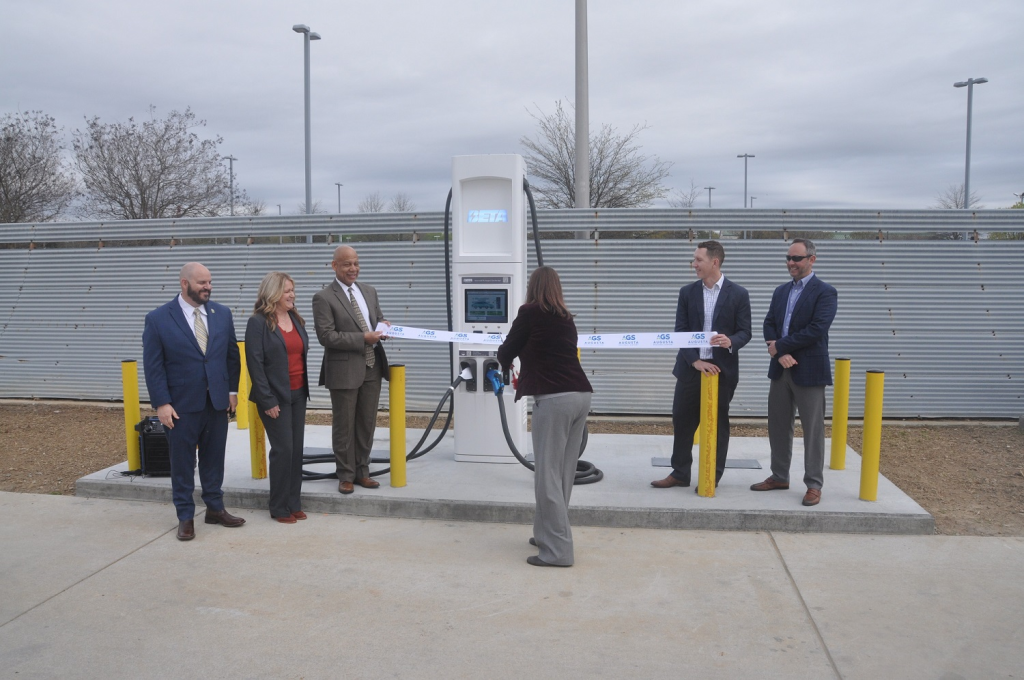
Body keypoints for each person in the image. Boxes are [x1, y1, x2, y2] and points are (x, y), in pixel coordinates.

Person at [498, 266, 593, 568]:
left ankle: (558, 552)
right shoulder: (565, 317)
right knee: (562, 474)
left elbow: (506, 351)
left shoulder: (529, 312)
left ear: (532, 286)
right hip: (581, 397)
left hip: (553, 401)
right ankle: (546, 534)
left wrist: (506, 359)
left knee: (547, 475)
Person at [142, 262, 245, 541]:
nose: (208, 287)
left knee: (214, 460)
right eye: (202, 283)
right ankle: (185, 517)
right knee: (183, 463)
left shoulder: (222, 313)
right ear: (184, 284)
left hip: (216, 403)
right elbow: (154, 366)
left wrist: (231, 392)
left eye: (210, 282)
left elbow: (231, 356)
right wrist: (162, 403)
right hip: (180, 405)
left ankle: (215, 508)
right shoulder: (158, 319)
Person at [651, 240, 751, 493]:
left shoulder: (739, 294)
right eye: (694, 259)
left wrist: (731, 341)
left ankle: (711, 475)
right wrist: (695, 361)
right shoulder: (687, 292)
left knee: (718, 425)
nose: (693, 264)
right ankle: (680, 473)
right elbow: (680, 332)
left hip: (721, 373)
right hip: (690, 369)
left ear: (714, 262)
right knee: (682, 422)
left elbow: (745, 332)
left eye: (698, 260)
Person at [751, 238, 838, 506]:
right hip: (780, 369)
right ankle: (779, 476)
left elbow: (816, 329)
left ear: (812, 259)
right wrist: (780, 353)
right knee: (777, 425)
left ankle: (813, 484)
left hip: (809, 370)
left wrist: (781, 347)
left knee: (812, 430)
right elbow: (769, 323)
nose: (791, 263)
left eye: (797, 258)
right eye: (788, 258)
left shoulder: (825, 292)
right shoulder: (780, 291)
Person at [311, 245, 389, 495]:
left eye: (355, 263)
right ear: (334, 266)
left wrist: (384, 326)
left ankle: (362, 472)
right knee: (344, 425)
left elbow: (377, 319)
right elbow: (326, 336)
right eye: (347, 264)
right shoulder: (324, 297)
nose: (353, 268)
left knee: (366, 423)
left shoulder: (369, 291)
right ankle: (345, 474)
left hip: (372, 366)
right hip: (344, 370)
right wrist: (362, 338)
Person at [245, 272, 310, 524]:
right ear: (273, 293)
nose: (292, 295)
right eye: (286, 291)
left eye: (293, 290)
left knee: (296, 451)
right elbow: (255, 364)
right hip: (274, 397)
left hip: (298, 394)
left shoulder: (295, 317)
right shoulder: (258, 323)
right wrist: (267, 399)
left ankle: (294, 502)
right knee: (283, 450)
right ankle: (279, 506)